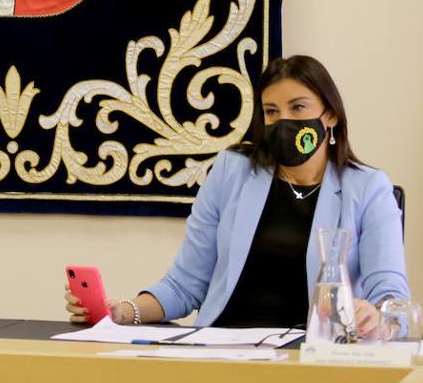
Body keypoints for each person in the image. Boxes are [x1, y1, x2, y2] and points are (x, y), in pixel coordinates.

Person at [64, 55, 409, 335]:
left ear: (330, 114)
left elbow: (391, 296)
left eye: (298, 108)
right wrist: (122, 312)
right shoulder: (232, 171)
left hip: (310, 359)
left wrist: (375, 317)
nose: (283, 120)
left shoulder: (367, 189)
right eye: (271, 111)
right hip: (222, 350)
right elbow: (186, 286)